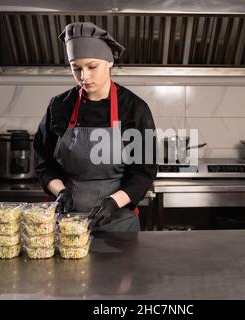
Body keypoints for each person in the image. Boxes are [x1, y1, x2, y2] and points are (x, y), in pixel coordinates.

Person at [34, 22, 157, 232]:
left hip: (118, 222)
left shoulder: (134, 109)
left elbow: (144, 172)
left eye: (92, 67)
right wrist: (61, 192)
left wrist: (113, 202)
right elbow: (44, 163)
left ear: (109, 62)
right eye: (76, 68)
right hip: (68, 223)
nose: (84, 77)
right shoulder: (59, 106)